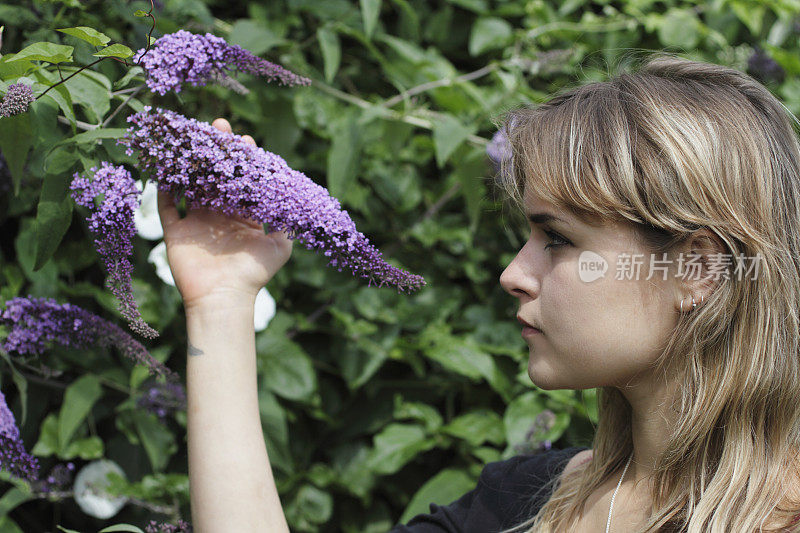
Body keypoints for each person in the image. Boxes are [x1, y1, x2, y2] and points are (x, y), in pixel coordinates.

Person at [157, 51, 800, 532]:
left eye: (559, 239)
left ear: (695, 269)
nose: (513, 275)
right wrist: (221, 301)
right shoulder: (525, 502)